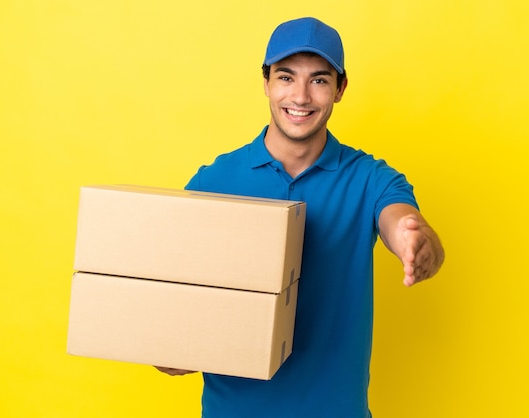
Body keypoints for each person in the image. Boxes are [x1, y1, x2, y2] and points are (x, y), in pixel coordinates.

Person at [156, 16, 444, 417]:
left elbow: (399, 219)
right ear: (267, 83)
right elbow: (175, 305)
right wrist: (169, 348)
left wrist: (417, 242)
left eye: (320, 80)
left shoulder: (370, 179)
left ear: (340, 88)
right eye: (287, 77)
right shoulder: (214, 182)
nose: (301, 96)